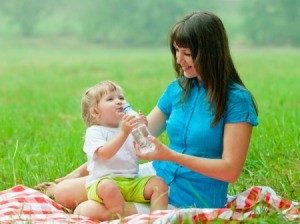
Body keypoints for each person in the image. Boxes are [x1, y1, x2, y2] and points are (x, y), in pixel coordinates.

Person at [35, 10, 258, 211]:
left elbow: (230, 170)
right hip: (156, 176)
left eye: (187, 53)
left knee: (88, 211)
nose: (179, 60)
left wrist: (169, 155)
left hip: (191, 196)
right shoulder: (178, 89)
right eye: (176, 51)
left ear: (210, 53)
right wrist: (75, 174)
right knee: (64, 192)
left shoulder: (237, 100)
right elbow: (132, 136)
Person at [71, 80, 168, 220]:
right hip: (102, 184)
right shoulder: (94, 131)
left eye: (121, 98)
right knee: (109, 187)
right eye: (110, 99)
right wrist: (124, 133)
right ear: (95, 111)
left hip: (130, 182)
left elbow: (143, 153)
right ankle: (123, 218)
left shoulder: (128, 129)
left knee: (158, 183)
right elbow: (104, 154)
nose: (118, 101)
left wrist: (143, 130)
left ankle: (159, 219)